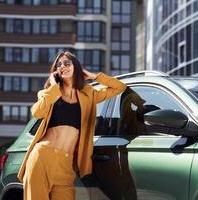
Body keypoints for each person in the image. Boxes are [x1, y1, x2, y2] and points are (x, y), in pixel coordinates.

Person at [16, 51, 127, 200]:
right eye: (59, 65)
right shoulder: (49, 93)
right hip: (42, 158)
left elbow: (119, 87)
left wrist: (94, 76)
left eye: (67, 63)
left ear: (76, 67)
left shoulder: (89, 94)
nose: (63, 66)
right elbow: (37, 112)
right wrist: (54, 87)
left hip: (66, 165)